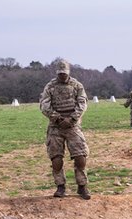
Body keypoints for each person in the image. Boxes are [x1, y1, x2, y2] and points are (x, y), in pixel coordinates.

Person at [40, 59, 91, 200]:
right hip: (56, 127)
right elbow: (44, 105)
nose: (62, 76)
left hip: (73, 126)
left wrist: (72, 118)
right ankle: (60, 186)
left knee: (80, 157)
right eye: (60, 74)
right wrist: (57, 118)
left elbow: (82, 103)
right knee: (56, 159)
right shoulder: (50, 86)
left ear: (68, 72)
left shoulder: (77, 85)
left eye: (64, 73)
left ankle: (82, 186)